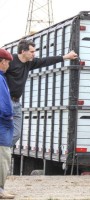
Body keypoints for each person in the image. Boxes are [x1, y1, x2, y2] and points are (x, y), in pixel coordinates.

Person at [5, 39, 78, 147]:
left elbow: (45, 61)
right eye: (32, 51)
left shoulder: (29, 63)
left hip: (16, 103)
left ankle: (3, 149)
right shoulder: (11, 61)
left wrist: (65, 56)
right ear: (23, 51)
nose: (34, 54)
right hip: (6, 101)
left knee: (17, 133)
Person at [0, 49, 15, 199]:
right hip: (2, 125)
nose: (8, 65)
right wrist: (9, 117)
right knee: (3, 157)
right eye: (8, 62)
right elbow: (4, 104)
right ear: (2, 61)